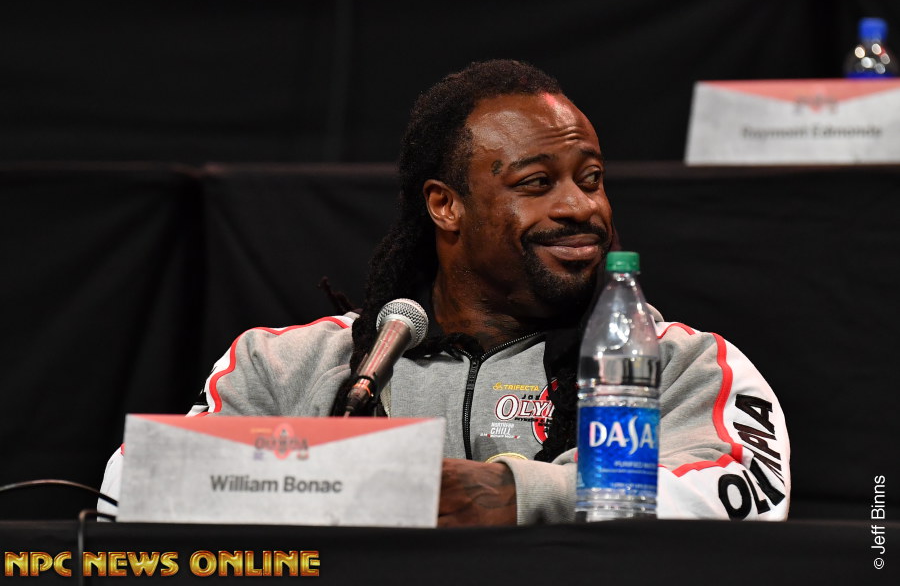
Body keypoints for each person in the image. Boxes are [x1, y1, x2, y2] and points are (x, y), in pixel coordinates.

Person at [101, 60, 790, 525]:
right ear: (445, 205)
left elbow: (738, 495)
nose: (581, 206)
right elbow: (132, 491)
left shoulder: (680, 365)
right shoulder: (284, 366)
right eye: (536, 183)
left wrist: (517, 494)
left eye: (591, 178)